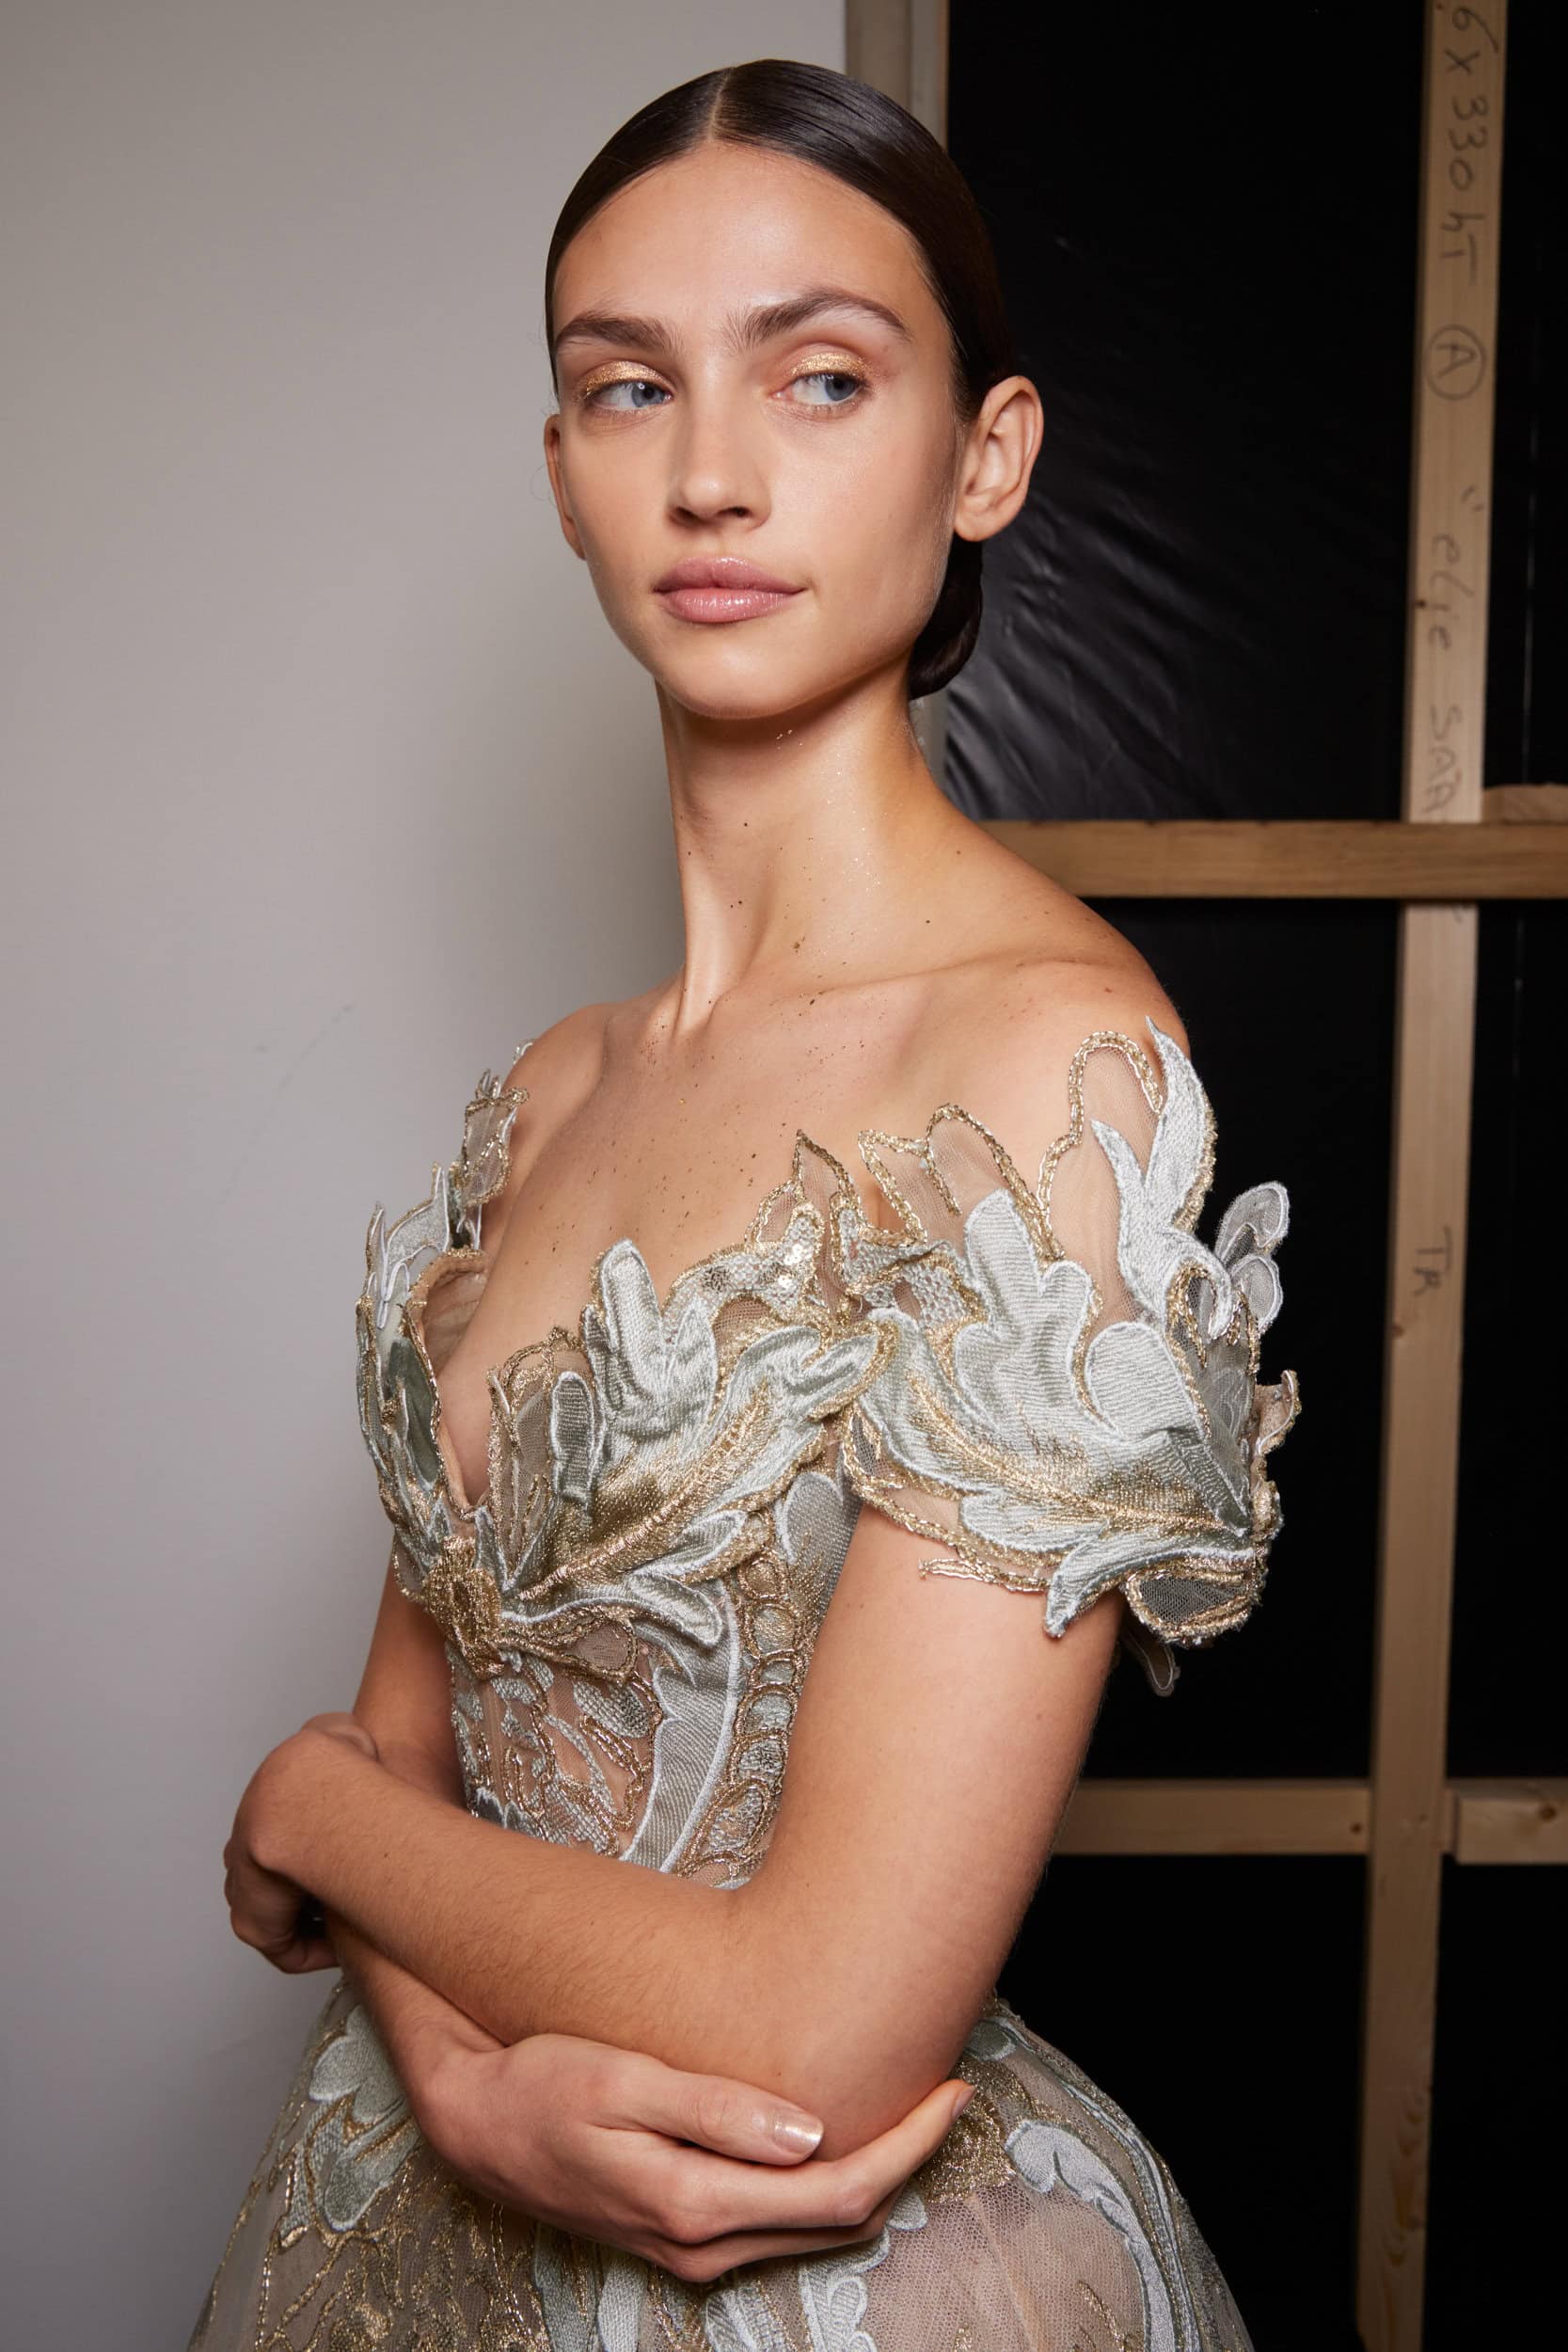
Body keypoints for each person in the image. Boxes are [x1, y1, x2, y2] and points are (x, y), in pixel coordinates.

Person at [190, 56, 1299, 2352]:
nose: (712, 471)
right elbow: (420, 1741)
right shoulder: (556, 1085)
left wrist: (297, 1805)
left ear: (985, 454)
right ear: (565, 474)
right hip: (409, 2197)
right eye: (629, 385)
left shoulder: (1054, 1064)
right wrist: (469, 2081)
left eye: (822, 376)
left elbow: (821, 2023)